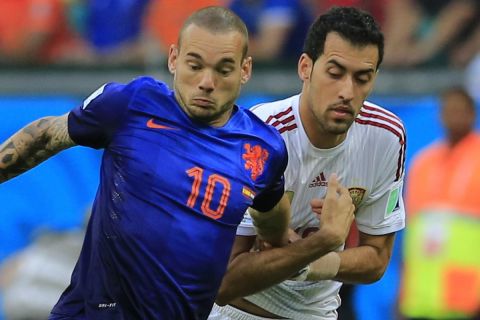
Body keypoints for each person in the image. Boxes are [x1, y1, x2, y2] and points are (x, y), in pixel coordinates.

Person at [0, 6, 355, 319]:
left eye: (223, 69)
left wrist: (291, 237)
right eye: (194, 65)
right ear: (173, 59)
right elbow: (47, 135)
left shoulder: (263, 150)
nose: (206, 82)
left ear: (245, 70)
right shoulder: (131, 104)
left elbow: (271, 212)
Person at [209, 6, 407, 319]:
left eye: (362, 78)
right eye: (335, 72)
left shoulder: (386, 136)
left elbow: (377, 259)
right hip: (237, 312)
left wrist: (309, 265)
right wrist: (326, 240)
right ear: (305, 67)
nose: (347, 91)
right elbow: (224, 281)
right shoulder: (259, 137)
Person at [400, 87, 480, 319]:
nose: (453, 116)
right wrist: (403, 292)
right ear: (440, 115)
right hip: (422, 299)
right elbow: (412, 235)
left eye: (460, 110)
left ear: (472, 114)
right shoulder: (423, 163)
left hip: (468, 299)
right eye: (448, 110)